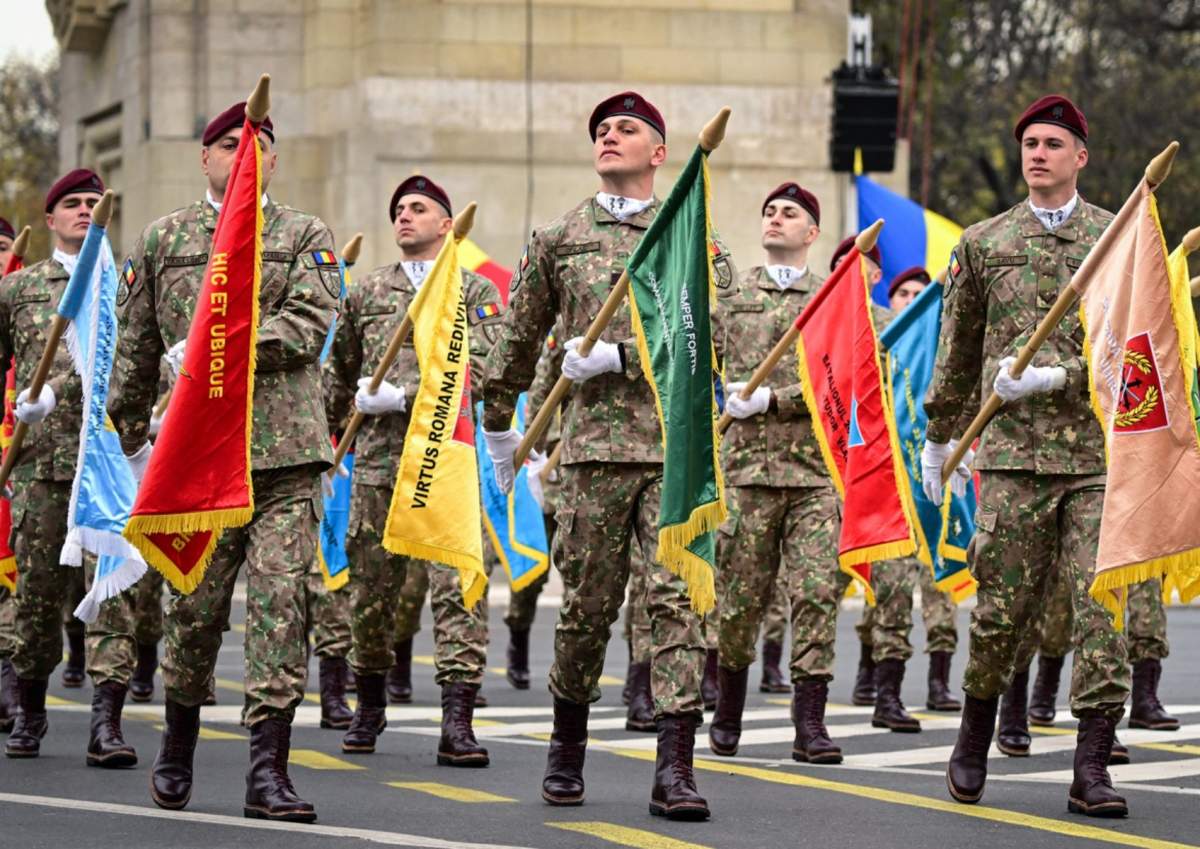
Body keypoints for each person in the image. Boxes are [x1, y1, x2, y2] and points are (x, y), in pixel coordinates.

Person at [481, 91, 731, 820]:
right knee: (587, 607)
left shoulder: (691, 238)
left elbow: (716, 334)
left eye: (627, 129)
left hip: (672, 451)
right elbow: (518, 336)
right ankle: (567, 747)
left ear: (659, 153)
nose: (609, 137)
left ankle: (676, 768)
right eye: (601, 130)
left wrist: (622, 355)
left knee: (677, 605)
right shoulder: (561, 236)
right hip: (589, 454)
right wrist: (500, 429)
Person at [110, 102, 339, 822]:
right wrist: (126, 429)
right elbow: (136, 344)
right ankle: (177, 744)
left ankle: (267, 771)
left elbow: (307, 324)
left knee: (280, 610)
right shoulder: (164, 239)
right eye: (231, 144)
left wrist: (219, 345)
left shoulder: (304, 233)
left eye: (260, 145)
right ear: (205, 157)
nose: (246, 155)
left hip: (283, 458)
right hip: (201, 461)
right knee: (195, 615)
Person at [924, 94, 1130, 818]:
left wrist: (1060, 376)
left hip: (1093, 458)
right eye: (1029, 143)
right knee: (1002, 613)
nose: (1037, 153)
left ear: (1080, 156)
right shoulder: (984, 243)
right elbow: (958, 347)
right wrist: (940, 431)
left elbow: (1131, 354)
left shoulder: (1115, 239)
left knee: (1103, 609)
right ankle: (975, 733)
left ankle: (1092, 764)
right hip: (1010, 458)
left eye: (1052, 143)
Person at [323, 175, 502, 765]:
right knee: (373, 597)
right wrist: (343, 415)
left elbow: (487, 368)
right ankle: (370, 704)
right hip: (379, 467)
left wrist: (402, 396)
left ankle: (457, 723)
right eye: (398, 208)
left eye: (418, 208)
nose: (404, 216)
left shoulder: (472, 293)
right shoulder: (368, 291)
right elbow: (339, 373)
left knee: (459, 595)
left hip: (446, 463)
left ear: (446, 224)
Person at [709, 183, 852, 764]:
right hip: (745, 472)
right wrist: (722, 398)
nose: (775, 218)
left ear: (811, 233)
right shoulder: (736, 293)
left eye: (789, 213)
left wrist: (774, 398)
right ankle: (728, 708)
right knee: (740, 603)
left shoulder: (830, 300)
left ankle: (809, 724)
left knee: (816, 592)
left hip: (814, 475)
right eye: (768, 211)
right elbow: (700, 365)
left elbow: (841, 382)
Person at [1, 169, 139, 767]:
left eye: (95, 202)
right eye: (73, 204)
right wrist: (19, 408)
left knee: (113, 598)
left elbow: (143, 361)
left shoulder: (126, 288)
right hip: (42, 468)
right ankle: (30, 709)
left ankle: (106, 725)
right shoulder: (20, 290)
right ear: (51, 218)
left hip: (108, 463)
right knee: (36, 601)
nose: (86, 210)